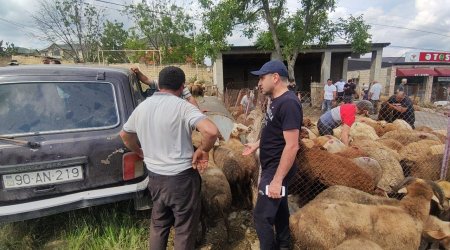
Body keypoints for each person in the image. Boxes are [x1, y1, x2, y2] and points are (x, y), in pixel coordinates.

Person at [120, 66, 219, 250]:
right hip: (181, 179)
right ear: (182, 87)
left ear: (159, 84)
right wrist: (203, 150)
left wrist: (139, 151)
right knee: (184, 228)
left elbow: (125, 135)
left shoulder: (142, 107)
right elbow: (211, 132)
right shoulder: (183, 107)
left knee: (159, 224)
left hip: (156, 178)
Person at [242, 60, 302, 250]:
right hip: (272, 166)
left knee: (261, 217)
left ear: (275, 78)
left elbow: (292, 146)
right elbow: (276, 133)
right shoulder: (276, 101)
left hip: (277, 169)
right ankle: (284, 245)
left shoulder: (289, 103)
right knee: (280, 208)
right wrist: (257, 144)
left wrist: (277, 180)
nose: (259, 83)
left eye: (262, 78)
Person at [130, 67, 200, 108]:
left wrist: (198, 112)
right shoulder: (160, 83)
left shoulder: (182, 87)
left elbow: (190, 99)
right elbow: (146, 80)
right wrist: (138, 72)